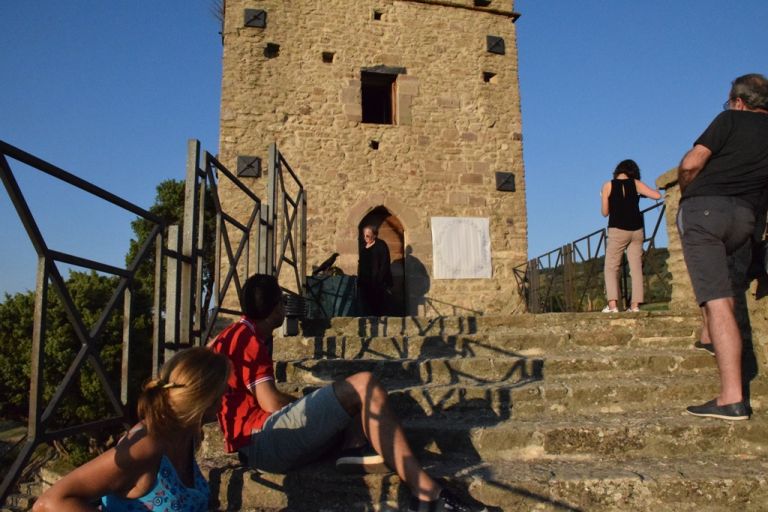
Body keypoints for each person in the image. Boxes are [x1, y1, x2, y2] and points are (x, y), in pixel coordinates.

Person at [209, 273, 487, 512]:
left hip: (251, 444)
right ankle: (427, 493)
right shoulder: (251, 343)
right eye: (282, 301)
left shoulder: (226, 336)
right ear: (274, 310)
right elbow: (270, 403)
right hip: (263, 441)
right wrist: (300, 403)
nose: (285, 306)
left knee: (344, 399)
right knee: (364, 384)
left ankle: (354, 449)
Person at [33, 347, 231, 512]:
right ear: (202, 399)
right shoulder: (145, 446)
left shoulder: (188, 436)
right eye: (222, 393)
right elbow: (50, 502)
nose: (227, 398)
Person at [676, 73, 768, 421]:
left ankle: (731, 397)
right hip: (745, 218)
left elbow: (690, 163)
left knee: (718, 302)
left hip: (705, 210)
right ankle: (706, 334)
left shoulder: (730, 118)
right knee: (725, 289)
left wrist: (688, 192)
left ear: (739, 102)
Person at [600, 159, 662, 312]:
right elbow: (657, 196)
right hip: (636, 230)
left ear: (617, 171)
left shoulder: (608, 185)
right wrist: (641, 195)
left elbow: (604, 212)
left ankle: (613, 305)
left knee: (611, 267)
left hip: (617, 230)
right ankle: (635, 306)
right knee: (635, 268)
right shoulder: (636, 184)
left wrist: (603, 197)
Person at [357, 224, 393, 316]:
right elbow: (361, 265)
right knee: (367, 309)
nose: (365, 237)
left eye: (368, 235)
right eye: (364, 235)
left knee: (379, 309)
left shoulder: (381, 245)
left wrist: (379, 280)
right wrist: (360, 280)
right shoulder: (363, 249)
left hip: (379, 283)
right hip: (366, 283)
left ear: (375, 235)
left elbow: (385, 263)